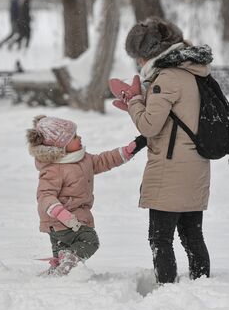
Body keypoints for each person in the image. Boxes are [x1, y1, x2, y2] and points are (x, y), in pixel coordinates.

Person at [111, 17, 214, 284]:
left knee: (160, 238)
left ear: (150, 53)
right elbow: (180, 113)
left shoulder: (166, 78)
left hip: (171, 168)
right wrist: (143, 101)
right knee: (193, 235)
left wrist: (134, 101)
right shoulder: (192, 71)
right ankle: (202, 285)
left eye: (139, 57)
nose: (138, 63)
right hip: (196, 163)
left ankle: (167, 291)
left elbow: (149, 125)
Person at [26, 115, 145, 276]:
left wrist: (126, 151)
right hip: (63, 221)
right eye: (74, 136)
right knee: (90, 241)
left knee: (63, 256)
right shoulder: (54, 168)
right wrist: (60, 212)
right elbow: (44, 195)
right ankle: (65, 262)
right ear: (62, 145)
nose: (79, 137)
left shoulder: (83, 159)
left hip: (71, 221)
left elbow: (103, 161)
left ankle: (56, 274)